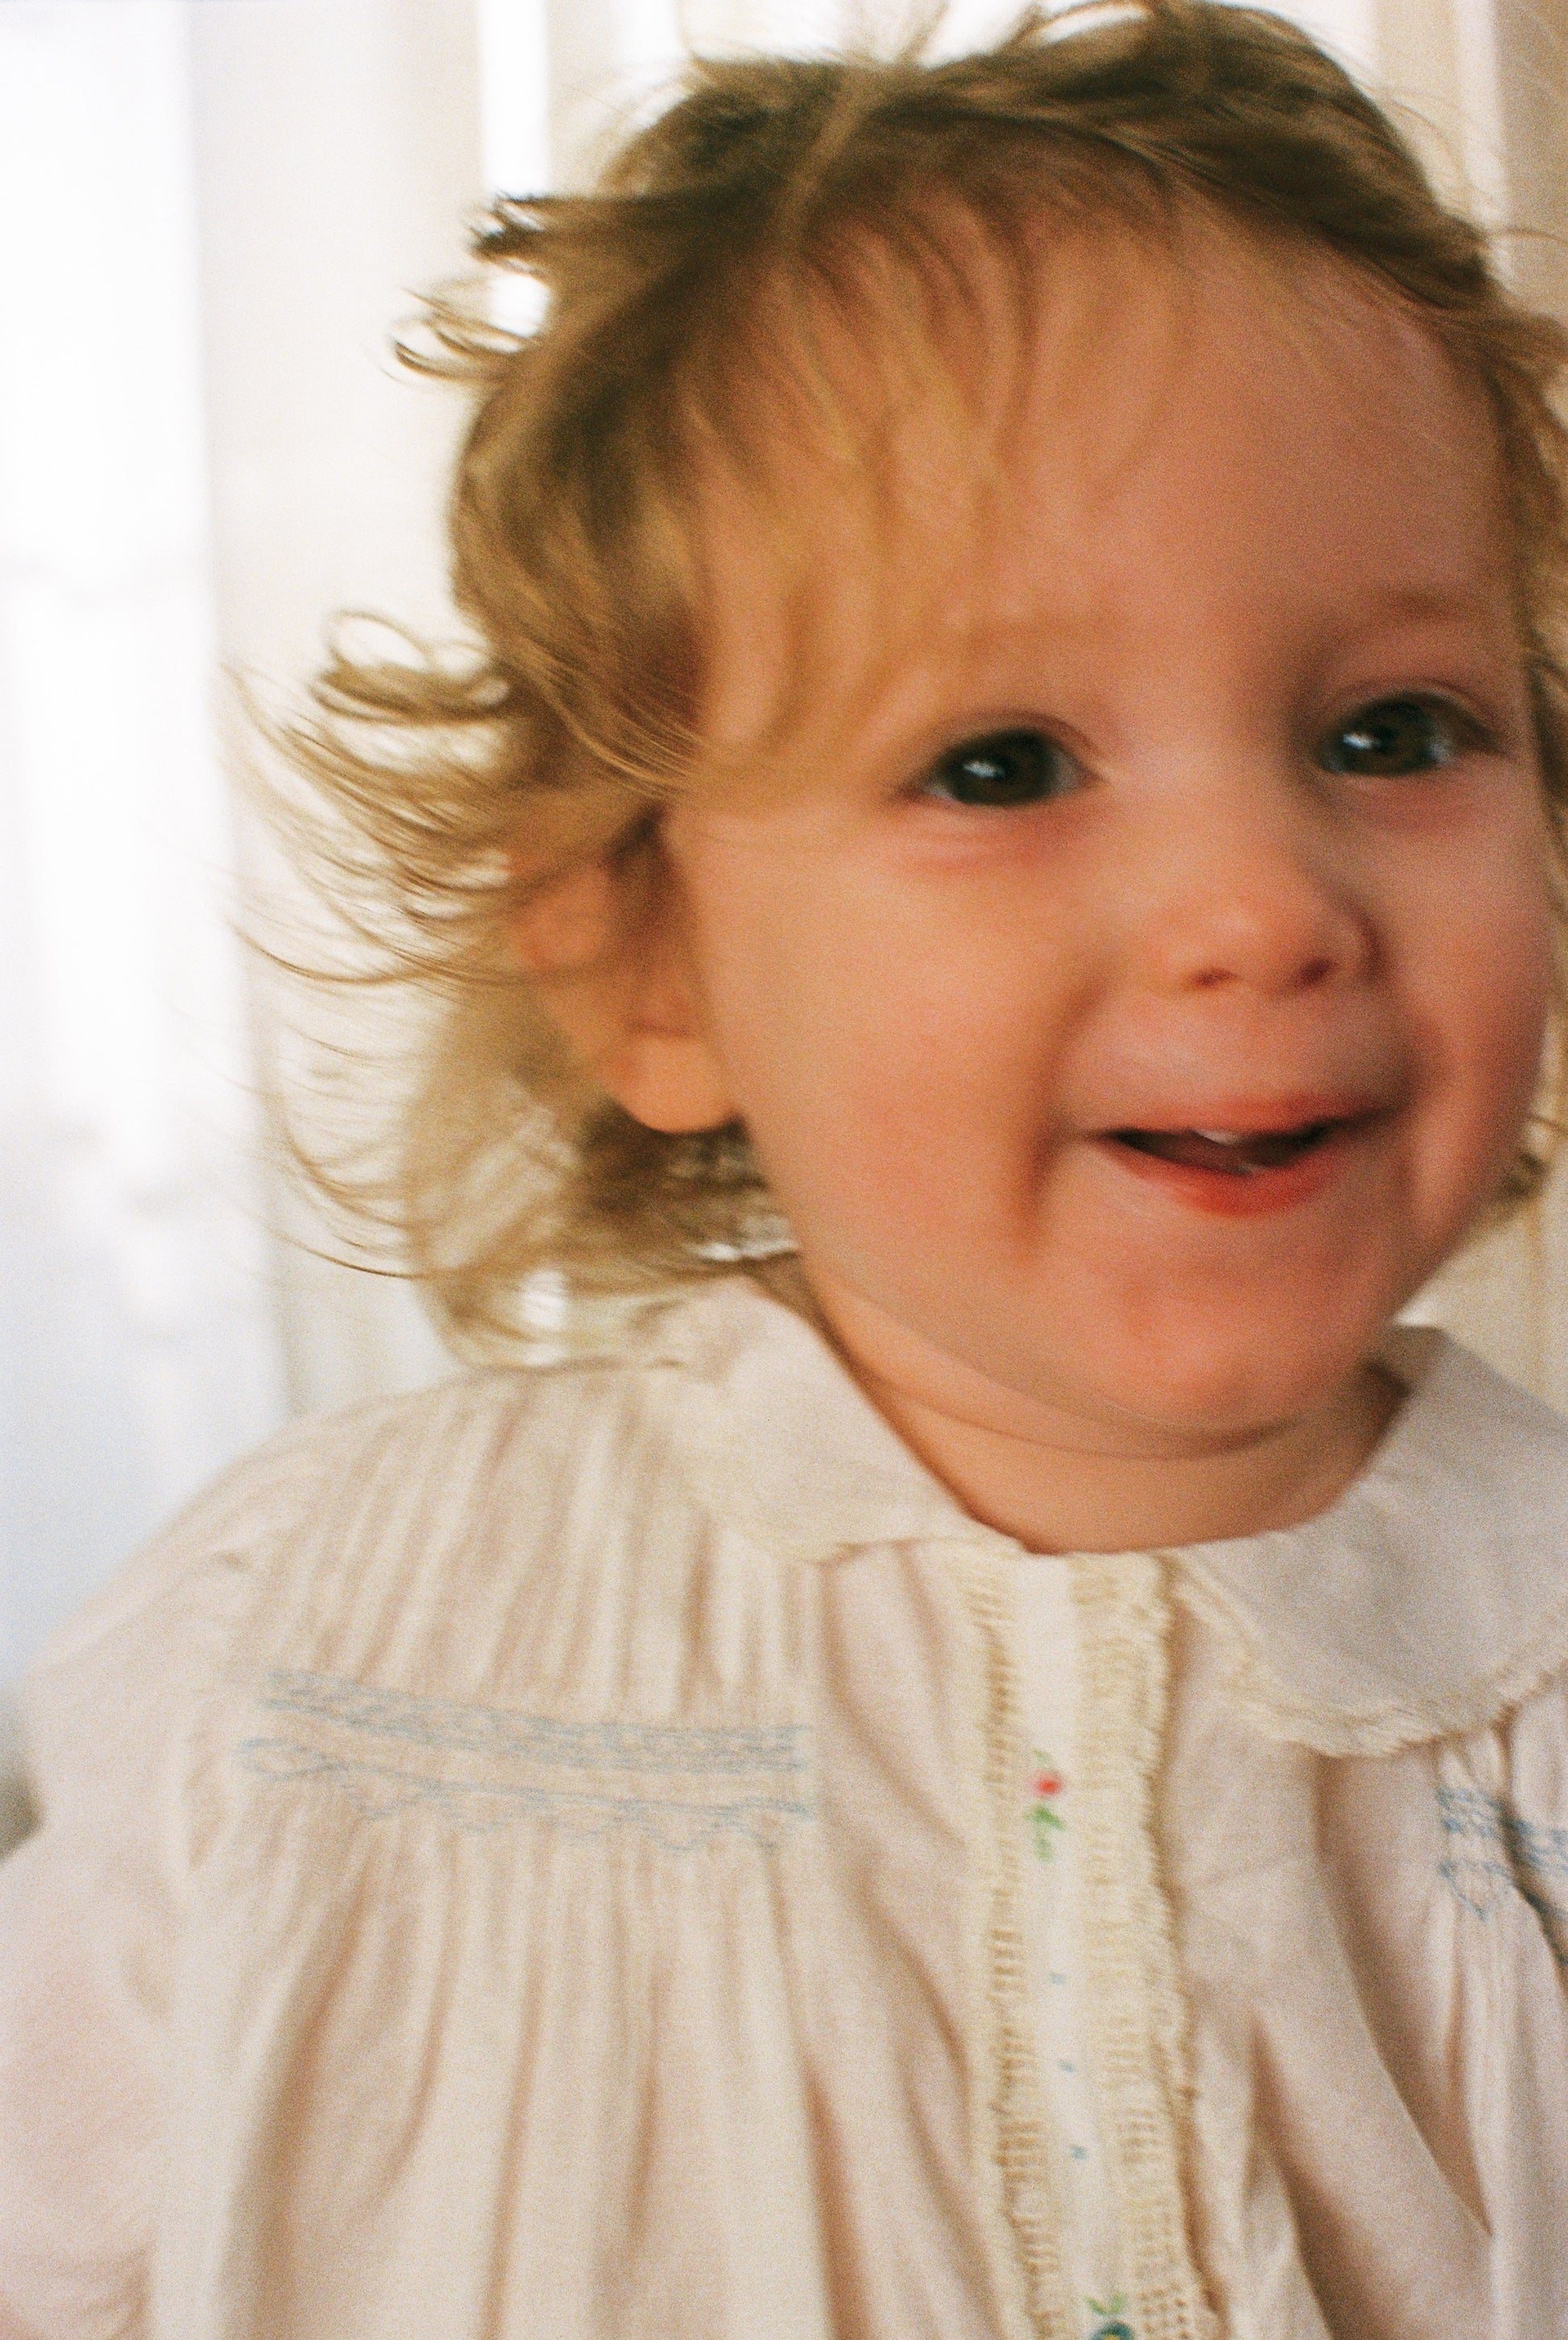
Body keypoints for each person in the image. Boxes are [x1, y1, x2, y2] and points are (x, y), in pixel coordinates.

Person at [3, 2, 1567, 2333]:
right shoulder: (294, 1660)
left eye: (1387, 729)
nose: (1261, 902)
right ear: (645, 958)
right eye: (1003, 762)